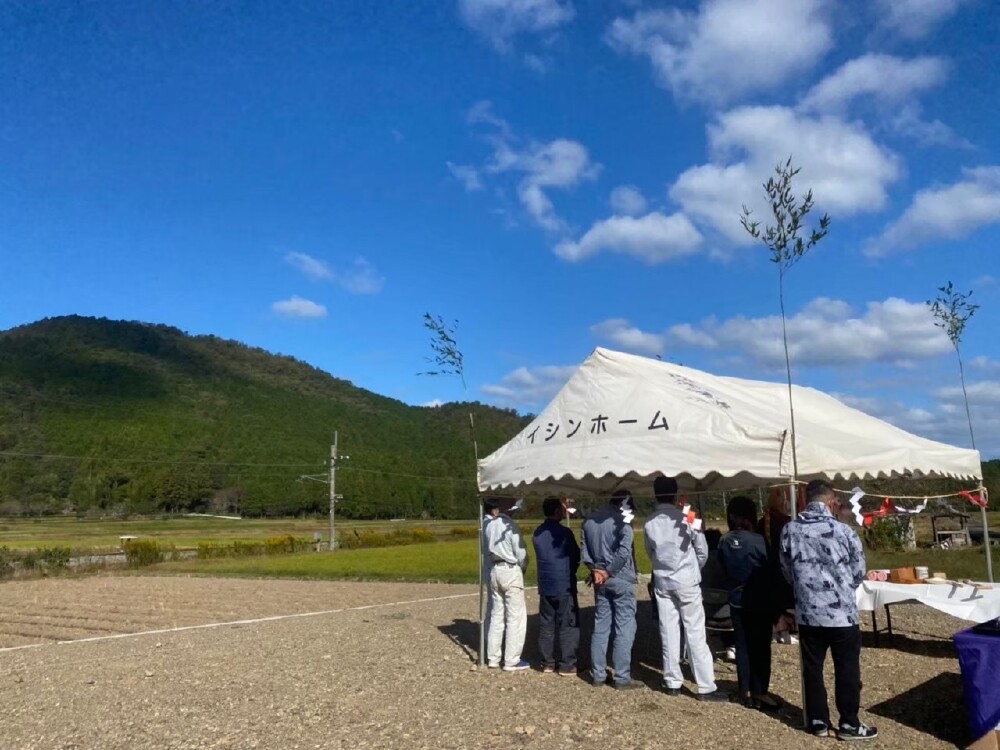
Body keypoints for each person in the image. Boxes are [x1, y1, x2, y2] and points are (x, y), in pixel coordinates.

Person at [780, 480, 877, 741]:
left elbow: (787, 569)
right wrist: (842, 588)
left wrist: (806, 590)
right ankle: (849, 723)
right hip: (842, 614)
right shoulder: (845, 532)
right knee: (847, 668)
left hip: (809, 613)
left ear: (806, 500)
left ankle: (818, 721)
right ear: (832, 501)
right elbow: (859, 571)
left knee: (812, 668)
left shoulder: (790, 530)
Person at [644, 477, 728, 702]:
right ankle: (705, 685)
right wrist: (694, 569)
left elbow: (650, 552)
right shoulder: (689, 517)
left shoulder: (649, 522)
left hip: (663, 581)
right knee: (695, 631)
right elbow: (702, 549)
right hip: (687, 581)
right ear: (675, 494)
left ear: (655, 495)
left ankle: (672, 681)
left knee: (668, 630)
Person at [718, 496, 779, 711]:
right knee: (761, 647)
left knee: (742, 645)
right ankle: (760, 690)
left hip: (736, 600)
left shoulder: (724, 541)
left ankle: (745, 690)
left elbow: (722, 568)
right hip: (759, 601)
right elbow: (771, 569)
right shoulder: (759, 541)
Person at [581, 489, 641, 690]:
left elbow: (585, 551)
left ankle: (598, 674)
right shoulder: (623, 523)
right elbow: (624, 552)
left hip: (599, 578)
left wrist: (595, 570)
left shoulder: (588, 521)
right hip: (620, 577)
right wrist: (608, 571)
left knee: (601, 626)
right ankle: (622, 676)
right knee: (624, 626)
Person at [532, 497, 581, 675]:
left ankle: (547, 662)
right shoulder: (565, 532)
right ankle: (567, 663)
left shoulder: (537, 533)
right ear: (556, 511)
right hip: (563, 583)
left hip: (545, 584)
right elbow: (575, 556)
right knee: (568, 624)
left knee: (547, 624)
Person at [484, 499, 530, 672]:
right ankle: (511, 660)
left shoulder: (489, 525)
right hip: (510, 570)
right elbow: (521, 553)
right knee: (515, 617)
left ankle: (493, 658)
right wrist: (523, 567)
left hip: (495, 570)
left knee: (496, 616)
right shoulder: (510, 526)